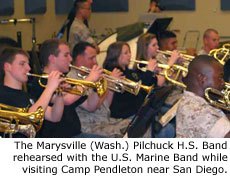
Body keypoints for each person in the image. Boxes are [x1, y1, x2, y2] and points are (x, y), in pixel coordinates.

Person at [29, 39, 104, 138]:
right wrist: (90, 79)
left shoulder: (65, 79)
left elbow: (90, 106)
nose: (70, 59)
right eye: (66, 55)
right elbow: (67, 100)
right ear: (52, 58)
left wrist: (95, 85)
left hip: (76, 134)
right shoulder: (41, 81)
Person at [68, 41, 132, 137]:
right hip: (91, 126)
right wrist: (106, 84)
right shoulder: (71, 79)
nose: (95, 62)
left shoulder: (89, 74)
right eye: (91, 58)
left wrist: (110, 87)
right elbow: (91, 107)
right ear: (79, 58)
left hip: (104, 120)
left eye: (95, 57)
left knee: (136, 124)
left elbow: (106, 105)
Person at [0, 47, 65, 138]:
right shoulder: (3, 95)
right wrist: (49, 88)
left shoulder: (26, 95)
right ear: (7, 67)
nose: (29, 68)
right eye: (22, 64)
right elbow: (30, 118)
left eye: (28, 64)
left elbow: (54, 116)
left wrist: (59, 93)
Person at [176, 55, 230, 138]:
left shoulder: (189, 100)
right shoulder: (200, 111)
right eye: (219, 78)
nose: (223, 83)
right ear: (202, 79)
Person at [103, 41, 157, 120]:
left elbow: (143, 87)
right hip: (124, 115)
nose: (130, 55)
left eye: (129, 52)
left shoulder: (129, 72)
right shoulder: (115, 72)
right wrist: (149, 72)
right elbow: (138, 92)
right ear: (116, 55)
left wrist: (153, 74)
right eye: (126, 53)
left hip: (135, 111)